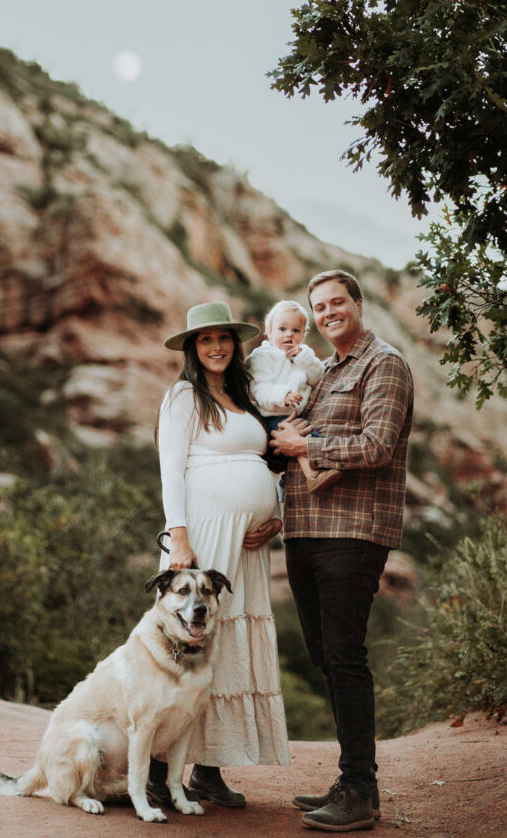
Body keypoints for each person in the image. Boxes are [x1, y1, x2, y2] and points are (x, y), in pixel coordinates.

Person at [271, 270, 413, 833]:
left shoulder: (385, 364)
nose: (328, 312)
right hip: (305, 529)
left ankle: (361, 790)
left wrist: (306, 443)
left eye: (336, 303)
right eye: (318, 306)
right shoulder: (324, 371)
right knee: (325, 654)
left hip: (353, 531)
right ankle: (349, 778)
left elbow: (378, 445)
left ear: (358, 304)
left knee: (345, 655)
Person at [149, 301, 290, 810]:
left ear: (235, 344)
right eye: (205, 339)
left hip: (248, 540)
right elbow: (171, 469)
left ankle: (208, 770)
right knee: (188, 641)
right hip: (204, 532)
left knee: (228, 643)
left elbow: (268, 463)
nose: (216, 347)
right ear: (192, 347)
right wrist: (178, 536)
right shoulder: (183, 395)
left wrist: (273, 515)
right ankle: (159, 770)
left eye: (223, 338)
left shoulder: (243, 395)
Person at [246, 299, 342, 494]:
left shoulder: (302, 357)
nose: (289, 334)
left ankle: (288, 481)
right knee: (298, 436)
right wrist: (284, 395)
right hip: (272, 415)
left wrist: (303, 357)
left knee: (308, 434)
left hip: (297, 415)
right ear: (269, 332)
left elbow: (318, 377)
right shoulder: (262, 357)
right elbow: (260, 389)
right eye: (282, 329)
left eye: (296, 330)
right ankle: (313, 474)